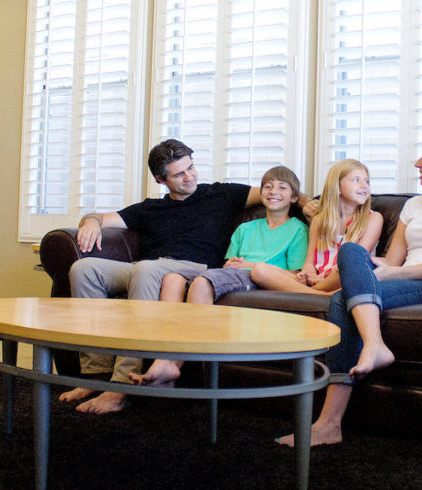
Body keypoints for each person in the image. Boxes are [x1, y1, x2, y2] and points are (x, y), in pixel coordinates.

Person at [61, 139, 312, 414]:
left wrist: (313, 206)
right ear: (161, 179)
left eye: (191, 167)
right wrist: (91, 222)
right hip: (150, 266)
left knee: (146, 270)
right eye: (179, 174)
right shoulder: (149, 208)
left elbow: (278, 192)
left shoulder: (221, 195)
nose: (189, 176)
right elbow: (101, 217)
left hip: (195, 268)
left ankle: (121, 386)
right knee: (84, 269)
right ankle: (95, 376)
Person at [276, 131, 422, 447]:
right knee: (351, 252)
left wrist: (393, 272)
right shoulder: (414, 205)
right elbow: (392, 258)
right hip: (400, 275)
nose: (417, 163)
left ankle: (328, 423)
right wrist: (369, 266)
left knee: (340, 299)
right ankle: (372, 349)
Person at [129, 166, 309, 387]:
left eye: (282, 187)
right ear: (260, 193)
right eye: (268, 186)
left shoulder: (298, 230)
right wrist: (233, 264)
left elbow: (295, 274)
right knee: (172, 278)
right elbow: (228, 263)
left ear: (294, 197)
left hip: (259, 277)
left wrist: (251, 264)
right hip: (232, 273)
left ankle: (172, 365)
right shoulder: (246, 228)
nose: (274, 191)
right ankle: (163, 358)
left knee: (203, 282)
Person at [250, 159, 383, 295]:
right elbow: (309, 263)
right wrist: (308, 275)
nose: (364, 185)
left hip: (344, 278)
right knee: (259, 270)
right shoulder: (319, 220)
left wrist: (318, 283)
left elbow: (354, 263)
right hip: (316, 280)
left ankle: (312, 293)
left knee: (348, 266)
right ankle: (320, 295)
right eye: (356, 180)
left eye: (367, 181)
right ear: (336, 186)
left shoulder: (373, 218)